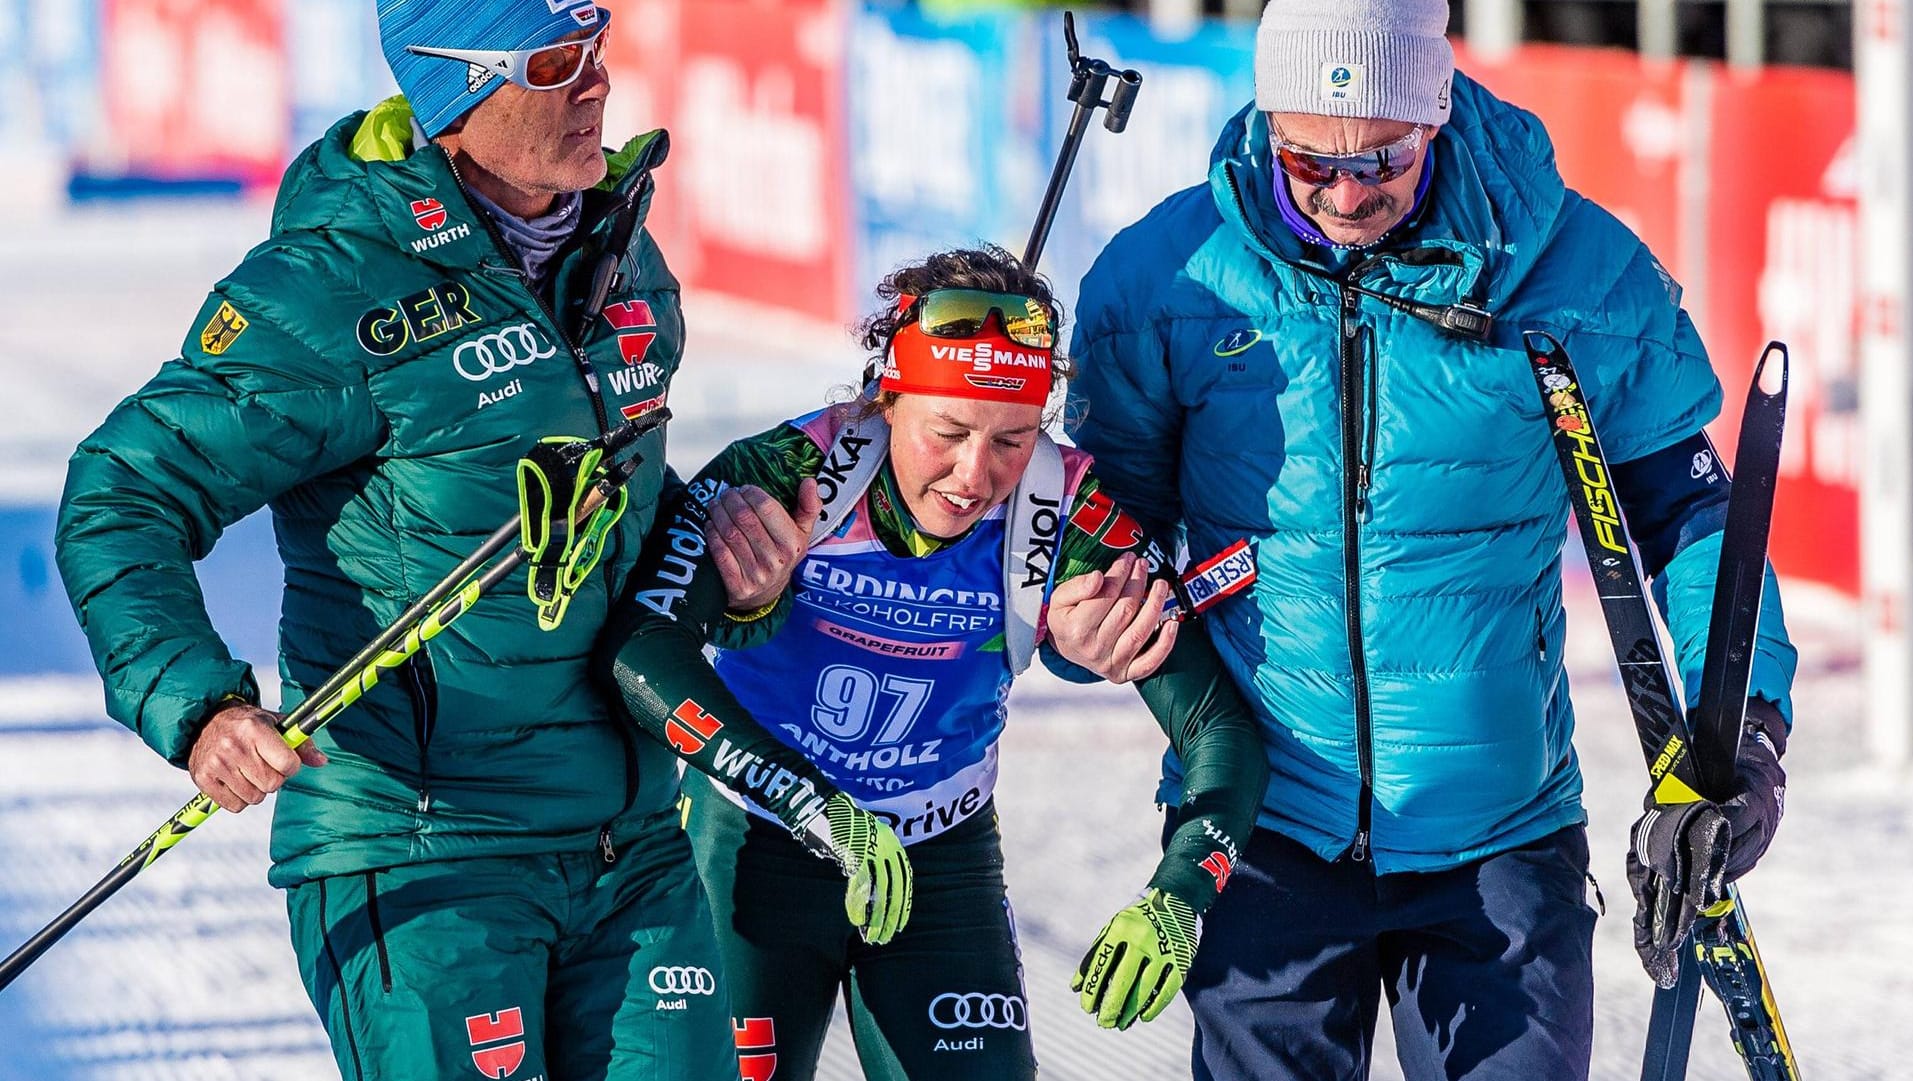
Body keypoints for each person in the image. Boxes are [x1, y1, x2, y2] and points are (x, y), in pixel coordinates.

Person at [53, 4, 908, 1078]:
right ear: (453, 88)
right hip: (424, 854)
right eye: (555, 62)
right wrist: (201, 705)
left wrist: (740, 578)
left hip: (633, 838)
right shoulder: (331, 287)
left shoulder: (623, 258)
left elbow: (619, 516)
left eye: (597, 51)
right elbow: (121, 489)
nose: (597, 84)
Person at [1054, 0, 1800, 1078]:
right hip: (1263, 825)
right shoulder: (1166, 280)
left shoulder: (1573, 272)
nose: (1348, 192)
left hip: (1500, 835)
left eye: (1384, 159)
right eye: (1309, 161)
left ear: (1437, 115)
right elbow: (1104, 521)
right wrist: (1087, 621)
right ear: (1267, 122)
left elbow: (1692, 518)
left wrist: (1746, 737)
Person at [594, 245, 1268, 1080]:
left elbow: (1217, 724)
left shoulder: (1067, 509)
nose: (973, 475)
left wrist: (1180, 895)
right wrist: (813, 803)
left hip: (936, 856)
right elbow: (641, 651)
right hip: (755, 839)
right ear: (889, 395)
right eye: (946, 432)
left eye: (1013, 439)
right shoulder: (791, 473)